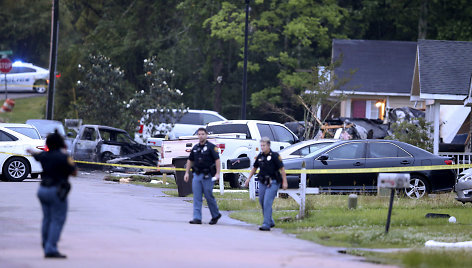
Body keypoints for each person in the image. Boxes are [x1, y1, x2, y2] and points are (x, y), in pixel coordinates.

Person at [27, 130, 77, 258]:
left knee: (47, 218)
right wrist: (67, 157)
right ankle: (50, 248)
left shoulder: (45, 155)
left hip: (43, 190)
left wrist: (31, 151)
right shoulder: (63, 157)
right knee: (57, 219)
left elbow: (36, 155)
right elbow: (74, 172)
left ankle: (45, 243)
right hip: (57, 190)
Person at [244, 137, 288, 231]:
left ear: (268, 145)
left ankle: (266, 224)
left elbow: (282, 169)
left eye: (264, 145)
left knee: (267, 202)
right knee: (261, 201)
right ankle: (270, 220)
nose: (262, 147)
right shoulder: (260, 156)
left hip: (273, 182)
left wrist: (285, 181)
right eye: (261, 145)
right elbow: (254, 168)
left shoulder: (275, 156)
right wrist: (248, 178)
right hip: (263, 181)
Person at [184, 127, 222, 225]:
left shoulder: (211, 147)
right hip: (197, 175)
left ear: (206, 135)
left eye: (202, 134)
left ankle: (215, 214)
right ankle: (197, 218)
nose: (201, 136)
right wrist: (187, 172)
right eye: (199, 134)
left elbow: (217, 160)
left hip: (207, 176)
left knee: (208, 195)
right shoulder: (196, 147)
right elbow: (190, 160)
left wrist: (218, 173)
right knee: (197, 197)